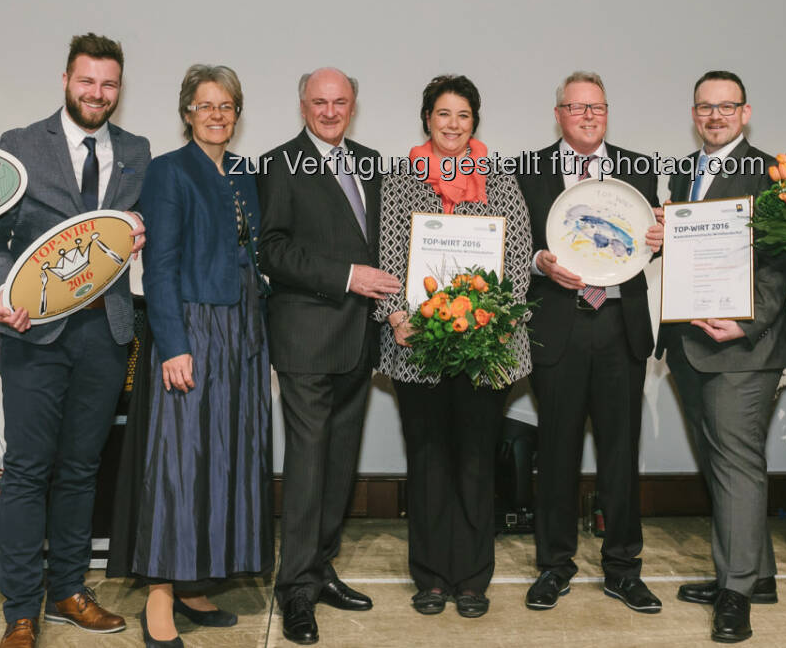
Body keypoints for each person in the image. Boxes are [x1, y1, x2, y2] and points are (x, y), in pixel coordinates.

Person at [0, 34, 150, 648]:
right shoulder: (20, 146)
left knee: (80, 470)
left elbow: (132, 232)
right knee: (27, 471)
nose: (97, 94)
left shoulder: (137, 151)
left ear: (118, 90)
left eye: (108, 84)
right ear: (66, 79)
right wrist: (5, 291)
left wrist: (141, 231)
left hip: (106, 332)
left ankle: (69, 591)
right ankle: (20, 609)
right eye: (87, 81)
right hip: (34, 335)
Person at [121, 66, 273, 648]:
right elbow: (156, 265)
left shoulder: (242, 171)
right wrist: (174, 344)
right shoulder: (167, 171)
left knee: (225, 457)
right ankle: (160, 595)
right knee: (179, 464)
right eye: (206, 105)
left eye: (227, 105)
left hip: (242, 329)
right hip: (192, 328)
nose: (217, 115)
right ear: (187, 112)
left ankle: (194, 583)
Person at [374, 75, 533, 619]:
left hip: (485, 349)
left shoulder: (500, 179)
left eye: (463, 115)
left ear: (475, 122)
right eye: (443, 113)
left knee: (474, 462)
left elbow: (517, 254)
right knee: (428, 461)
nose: (452, 124)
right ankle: (431, 577)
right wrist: (396, 313)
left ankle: (471, 578)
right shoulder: (401, 180)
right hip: (417, 346)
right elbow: (390, 251)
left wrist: (493, 318)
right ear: (427, 118)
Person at [256, 68, 399, 645]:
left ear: (354, 104)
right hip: (307, 338)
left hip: (360, 340)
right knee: (310, 466)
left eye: (340, 102)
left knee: (340, 465)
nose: (330, 111)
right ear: (302, 105)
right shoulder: (278, 163)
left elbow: (387, 242)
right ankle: (294, 591)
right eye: (320, 101)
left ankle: (321, 569)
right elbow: (273, 249)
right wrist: (347, 276)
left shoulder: (370, 160)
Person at [657, 71, 786, 644]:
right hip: (689, 343)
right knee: (725, 462)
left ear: (745, 113)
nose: (715, 117)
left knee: (736, 465)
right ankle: (756, 574)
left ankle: (735, 592)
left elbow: (779, 262)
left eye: (726, 107)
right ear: (695, 114)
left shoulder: (771, 174)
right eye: (705, 108)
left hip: (744, 345)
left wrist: (744, 320)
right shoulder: (683, 173)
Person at [516, 71, 664, 614]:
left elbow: (646, 249)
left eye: (596, 107)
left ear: (607, 112)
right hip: (560, 326)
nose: (587, 116)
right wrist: (538, 262)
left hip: (619, 325)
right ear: (558, 114)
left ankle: (624, 568)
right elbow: (516, 242)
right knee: (556, 453)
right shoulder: (526, 170)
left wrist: (664, 237)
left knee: (620, 455)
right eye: (576, 108)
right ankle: (554, 567)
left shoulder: (639, 169)